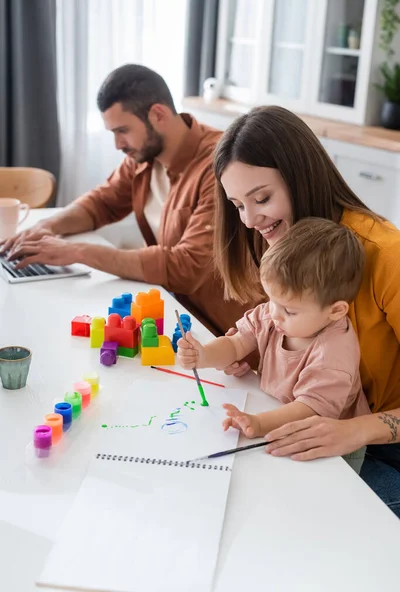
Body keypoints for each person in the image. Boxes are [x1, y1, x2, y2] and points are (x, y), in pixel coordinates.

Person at [211, 105, 400, 516]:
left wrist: (354, 431)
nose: (249, 220)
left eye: (261, 198)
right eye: (238, 204)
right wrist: (261, 350)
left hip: (381, 446)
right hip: (336, 429)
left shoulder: (387, 256)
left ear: (302, 177)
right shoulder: (287, 236)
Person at [0, 64, 251, 336]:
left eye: (122, 131)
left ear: (158, 114)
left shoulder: (219, 166)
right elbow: (102, 202)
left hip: (220, 331)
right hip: (171, 309)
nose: (117, 145)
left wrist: (77, 252)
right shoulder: (144, 155)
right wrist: (47, 227)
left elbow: (187, 267)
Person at [178, 218, 370, 473]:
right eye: (271, 300)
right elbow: (236, 344)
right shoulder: (274, 314)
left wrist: (258, 423)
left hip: (332, 445)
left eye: (289, 310)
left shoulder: (333, 354)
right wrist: (204, 355)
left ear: (335, 311)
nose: (275, 314)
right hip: (278, 413)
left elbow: (309, 410)